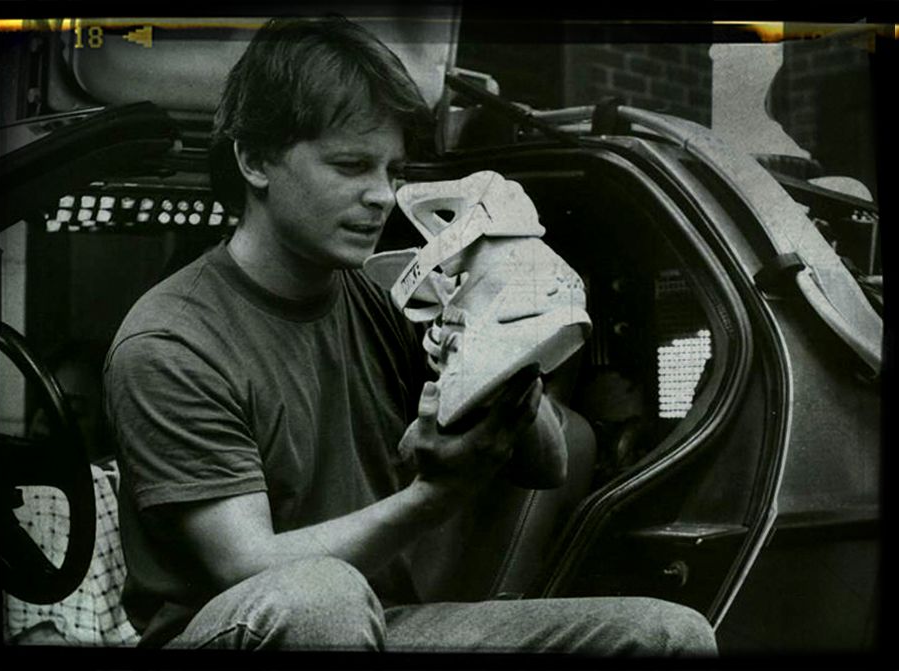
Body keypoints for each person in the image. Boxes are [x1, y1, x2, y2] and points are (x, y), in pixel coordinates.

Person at [103, 16, 718, 656]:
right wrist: (434, 497)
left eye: (392, 170)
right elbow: (246, 565)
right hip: (246, 627)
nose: (382, 195)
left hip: (378, 622)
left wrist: (499, 352)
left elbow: (548, 466)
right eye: (350, 166)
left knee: (668, 636)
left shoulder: (383, 295)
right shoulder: (171, 342)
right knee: (321, 596)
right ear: (255, 159)